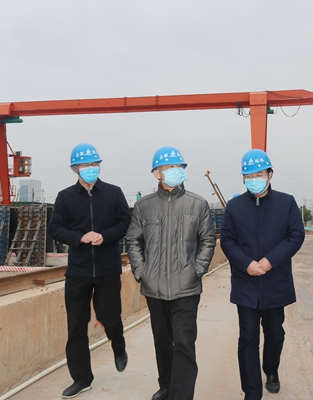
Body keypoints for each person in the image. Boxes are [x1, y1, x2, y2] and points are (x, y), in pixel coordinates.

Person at [126, 146, 216, 400]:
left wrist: (196, 270)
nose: (175, 171)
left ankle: (181, 395)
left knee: (184, 343)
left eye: (179, 167)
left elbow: (207, 240)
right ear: (156, 173)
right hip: (154, 288)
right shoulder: (143, 206)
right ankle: (166, 385)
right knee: (162, 341)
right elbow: (133, 241)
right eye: (169, 168)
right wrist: (141, 272)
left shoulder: (198, 204)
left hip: (186, 287)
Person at [220, 149, 305, 400]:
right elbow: (227, 240)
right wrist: (246, 263)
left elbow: (295, 236)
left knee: (275, 333)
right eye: (248, 175)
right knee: (248, 338)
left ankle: (271, 370)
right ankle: (252, 392)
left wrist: (271, 261)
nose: (254, 179)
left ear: (270, 174)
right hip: (246, 282)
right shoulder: (234, 207)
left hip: (275, 281)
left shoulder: (286, 203)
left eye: (259, 174)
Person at [48, 143, 132, 399]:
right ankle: (82, 378)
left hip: (107, 270)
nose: (90, 169)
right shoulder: (65, 197)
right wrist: (80, 237)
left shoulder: (114, 193)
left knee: (110, 317)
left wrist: (105, 236)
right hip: (78, 271)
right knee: (76, 326)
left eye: (94, 164)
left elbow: (124, 222)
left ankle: (118, 345)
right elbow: (55, 228)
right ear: (74, 169)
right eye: (85, 165)